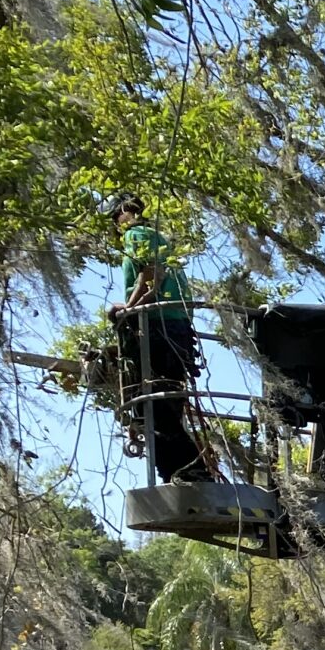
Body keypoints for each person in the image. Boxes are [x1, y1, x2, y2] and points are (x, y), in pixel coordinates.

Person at [112, 194, 207, 481]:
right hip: (174, 327)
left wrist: (128, 309)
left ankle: (191, 472)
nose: (118, 227)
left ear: (123, 215)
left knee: (155, 403)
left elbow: (153, 274)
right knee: (162, 405)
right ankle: (180, 473)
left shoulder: (137, 234)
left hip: (160, 327)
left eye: (117, 221)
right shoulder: (159, 238)